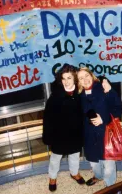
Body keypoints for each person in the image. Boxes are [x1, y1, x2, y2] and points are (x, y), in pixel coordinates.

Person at [77, 67, 122, 187]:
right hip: (89, 136)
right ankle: (98, 176)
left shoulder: (103, 88)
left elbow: (119, 108)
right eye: (81, 78)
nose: (85, 79)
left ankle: (110, 187)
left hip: (105, 134)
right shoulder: (79, 97)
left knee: (108, 166)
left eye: (86, 76)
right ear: (78, 82)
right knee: (94, 164)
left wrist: (103, 119)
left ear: (91, 75)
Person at [42, 64, 85, 192]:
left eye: (69, 78)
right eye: (63, 78)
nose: (66, 81)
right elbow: (48, 118)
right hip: (59, 134)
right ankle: (52, 177)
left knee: (75, 155)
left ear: (75, 79)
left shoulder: (80, 93)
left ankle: (74, 173)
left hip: (75, 133)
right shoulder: (55, 96)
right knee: (55, 158)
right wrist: (48, 136)